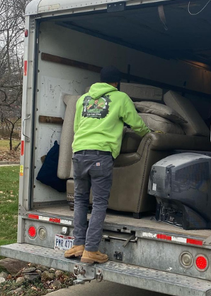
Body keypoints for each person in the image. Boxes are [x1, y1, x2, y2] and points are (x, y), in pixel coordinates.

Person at [64, 66, 150, 264]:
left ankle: (78, 244)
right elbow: (135, 123)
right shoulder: (120, 98)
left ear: (99, 80)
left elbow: (77, 127)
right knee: (100, 202)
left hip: (79, 153)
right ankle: (91, 250)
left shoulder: (83, 100)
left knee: (80, 199)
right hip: (100, 154)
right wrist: (149, 133)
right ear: (117, 83)